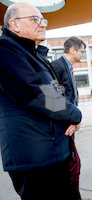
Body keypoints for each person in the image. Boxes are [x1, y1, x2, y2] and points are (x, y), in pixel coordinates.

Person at [0, 3, 82, 200]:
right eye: (35, 19)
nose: (42, 24)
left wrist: (68, 116)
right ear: (14, 24)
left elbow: (55, 95)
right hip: (35, 157)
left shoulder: (33, 54)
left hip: (51, 151)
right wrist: (76, 115)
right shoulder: (7, 51)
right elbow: (42, 97)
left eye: (43, 20)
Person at [51, 36, 90, 200]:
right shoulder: (57, 67)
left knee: (74, 166)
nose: (83, 55)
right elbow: (53, 100)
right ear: (73, 50)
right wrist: (71, 119)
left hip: (70, 123)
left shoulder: (67, 67)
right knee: (71, 168)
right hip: (63, 127)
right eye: (82, 51)